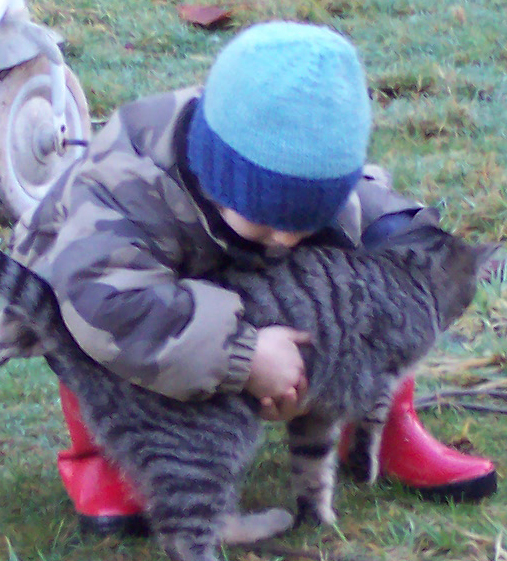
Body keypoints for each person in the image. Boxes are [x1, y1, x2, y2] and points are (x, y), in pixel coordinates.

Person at [10, 21, 496, 537]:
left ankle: (386, 422)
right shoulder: (126, 194)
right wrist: (244, 357)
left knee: (382, 245)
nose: (285, 240)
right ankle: (100, 457)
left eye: (303, 222)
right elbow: (113, 310)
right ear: (215, 177)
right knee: (90, 328)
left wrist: (404, 240)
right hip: (89, 300)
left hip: (206, 271)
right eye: (265, 219)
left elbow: (359, 211)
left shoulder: (302, 164)